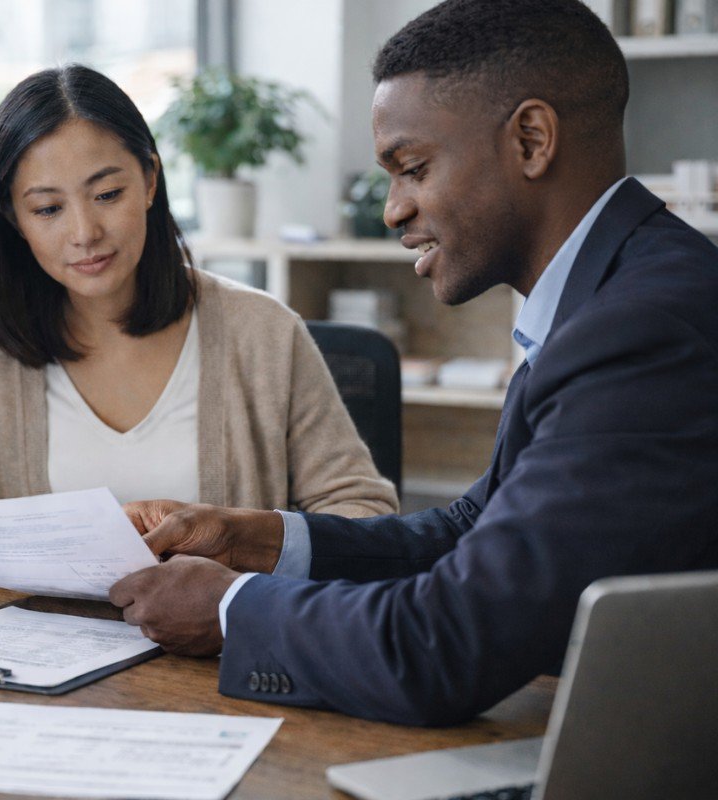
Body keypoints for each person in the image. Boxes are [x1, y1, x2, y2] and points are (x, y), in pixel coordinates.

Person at [109, 0, 718, 725]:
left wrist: (234, 607)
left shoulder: (641, 330)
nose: (394, 209)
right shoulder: (610, 295)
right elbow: (467, 532)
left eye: (413, 168)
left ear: (531, 139)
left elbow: (445, 643)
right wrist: (255, 539)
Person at [0, 64, 397, 521]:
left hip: (223, 607)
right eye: (47, 209)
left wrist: (248, 555)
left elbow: (363, 511)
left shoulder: (263, 333)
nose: (85, 232)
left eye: (108, 194)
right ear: (11, 216)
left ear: (150, 180)